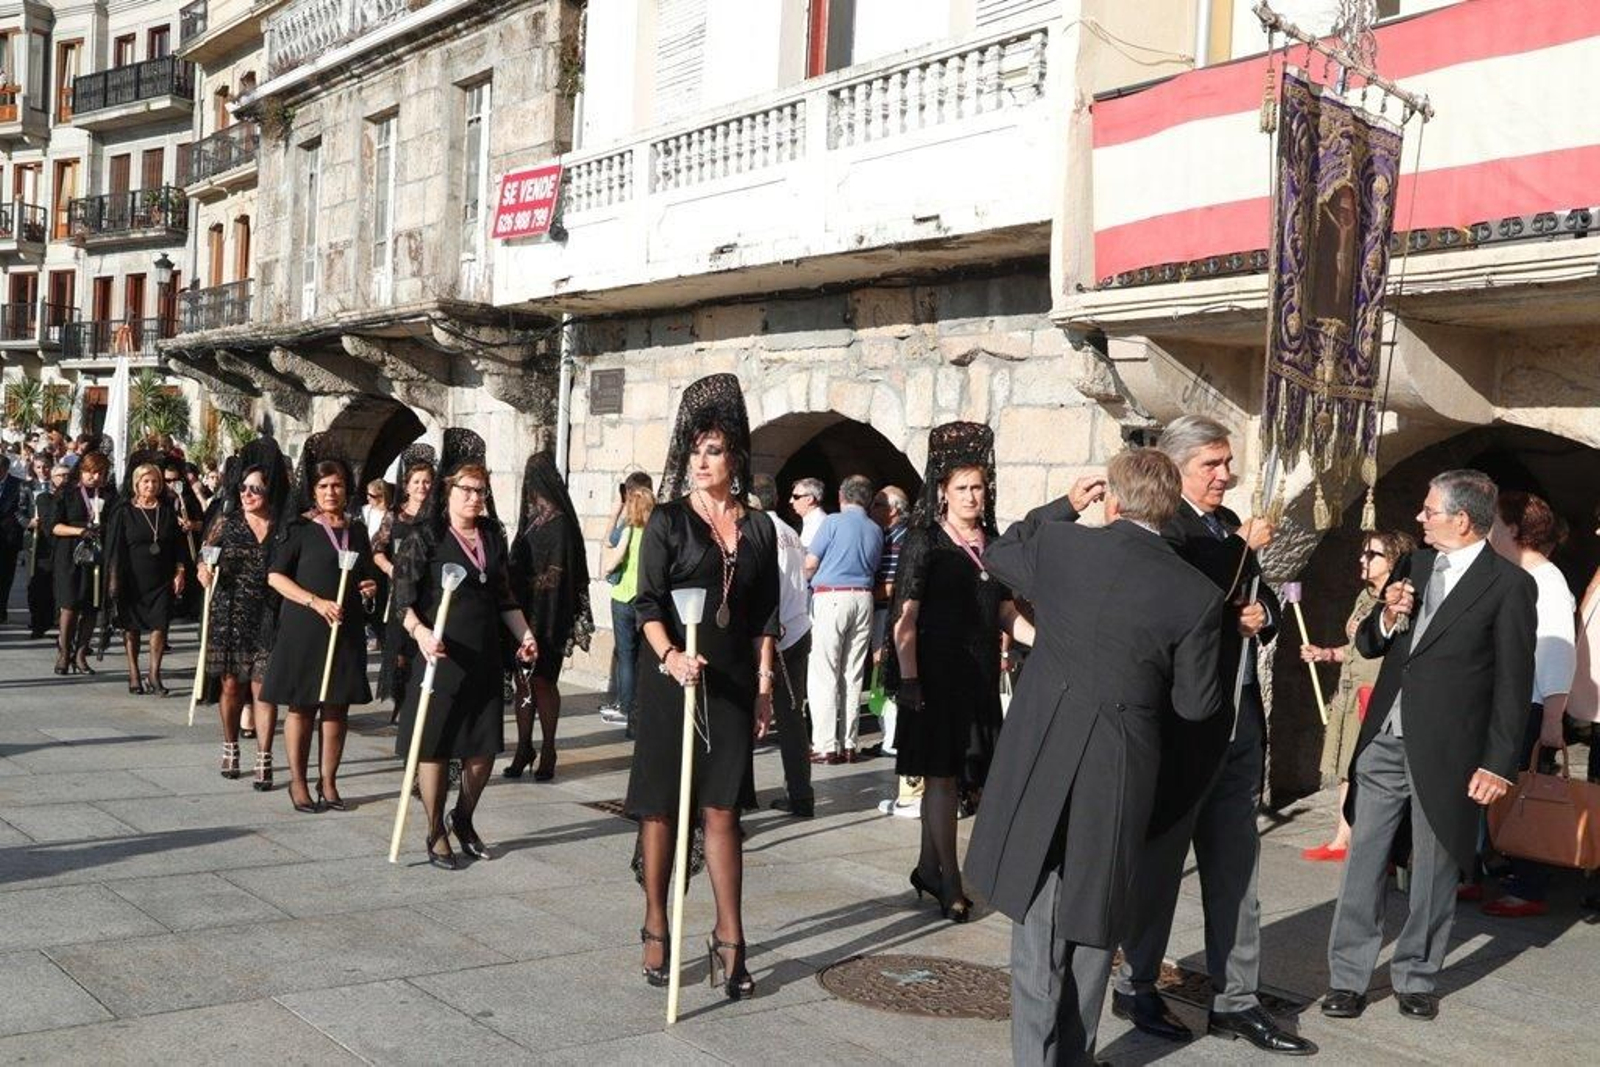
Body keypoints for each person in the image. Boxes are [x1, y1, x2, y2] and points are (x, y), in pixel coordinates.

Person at [967, 449, 1222, 1067]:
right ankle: (1073, 1056)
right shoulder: (1198, 594)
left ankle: (1036, 1055)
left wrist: (1065, 504)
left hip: (1044, 748)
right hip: (1122, 760)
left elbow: (999, 552)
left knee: (1036, 907)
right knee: (1093, 913)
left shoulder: (1061, 546)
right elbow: (1196, 704)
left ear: (1113, 498)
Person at [1111, 415, 1310, 1054]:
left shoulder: (1228, 530)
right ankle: (1136, 982)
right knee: (1160, 869)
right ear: (1175, 470)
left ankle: (1237, 1000)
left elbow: (1261, 604)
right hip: (1183, 732)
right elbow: (1188, 602)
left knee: (1236, 870)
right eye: (1211, 465)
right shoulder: (1164, 532)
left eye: (1227, 463)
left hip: (1241, 721)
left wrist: (1264, 612)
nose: (1226, 475)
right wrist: (1243, 559)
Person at [1322, 470, 1535, 1023]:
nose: (1419, 519)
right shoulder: (1413, 564)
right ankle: (1347, 978)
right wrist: (1389, 615)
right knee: (1362, 862)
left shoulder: (1510, 586)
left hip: (1450, 751)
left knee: (1436, 870)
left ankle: (1416, 976)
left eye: (1428, 511)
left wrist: (1497, 763)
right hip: (1385, 742)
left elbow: (1514, 683)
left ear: (1461, 520)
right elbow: (1367, 641)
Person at [626, 373, 778, 997]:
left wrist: (765, 684)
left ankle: (730, 937)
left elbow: (766, 614)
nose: (701, 461)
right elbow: (646, 602)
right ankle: (658, 921)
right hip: (674, 682)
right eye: (694, 451)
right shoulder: (667, 521)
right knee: (663, 808)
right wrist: (670, 658)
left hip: (733, 685)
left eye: (712, 450)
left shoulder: (763, 528)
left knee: (723, 812)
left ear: (734, 457)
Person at [890, 422, 1031, 924]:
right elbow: (904, 615)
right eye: (962, 488)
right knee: (942, 777)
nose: (972, 496)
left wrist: (1045, 639)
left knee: (962, 777)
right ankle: (949, 878)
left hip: (976, 676)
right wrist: (908, 680)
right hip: (932, 674)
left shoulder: (991, 545)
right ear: (943, 493)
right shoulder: (924, 541)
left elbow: (1005, 610)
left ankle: (929, 866)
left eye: (978, 487)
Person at [393, 459, 539, 868]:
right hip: (439, 654)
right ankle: (435, 830)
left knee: (483, 747)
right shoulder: (427, 536)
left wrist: (524, 635)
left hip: (484, 653)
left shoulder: (493, 536)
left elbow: (504, 596)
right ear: (448, 491)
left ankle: (464, 817)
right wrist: (421, 633)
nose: (475, 498)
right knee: (435, 745)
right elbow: (402, 600)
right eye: (467, 490)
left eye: (481, 491)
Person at [261, 441, 378, 815]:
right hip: (305, 625)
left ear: (348, 489)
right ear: (313, 490)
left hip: (344, 627)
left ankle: (328, 779)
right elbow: (276, 577)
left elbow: (364, 575)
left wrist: (368, 586)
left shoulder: (356, 532)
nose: (332, 492)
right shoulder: (298, 528)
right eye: (324, 486)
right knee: (303, 706)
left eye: (338, 485)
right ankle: (297, 780)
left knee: (337, 709)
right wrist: (314, 601)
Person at [1477, 490, 1574, 918]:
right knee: (1498, 790)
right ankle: (1489, 867)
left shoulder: (1547, 581)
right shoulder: (1512, 575)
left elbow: (1557, 652)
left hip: (1528, 705)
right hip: (1504, 702)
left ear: (1514, 529)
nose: (1488, 530)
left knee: (1524, 792)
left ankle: (1528, 882)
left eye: (1495, 522)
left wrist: (1553, 717)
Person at [1299, 529, 1416, 861]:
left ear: (1392, 559)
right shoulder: (1365, 597)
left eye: (1372, 555)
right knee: (1343, 767)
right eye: (1362, 554)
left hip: (1374, 692)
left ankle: (1371, 842)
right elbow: (1356, 649)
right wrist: (1326, 654)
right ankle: (1342, 836)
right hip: (1350, 689)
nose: (1362, 560)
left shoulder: (1400, 600)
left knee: (1365, 766)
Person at [198, 441, 292, 789]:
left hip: (269, 614)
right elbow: (204, 556)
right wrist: (203, 572)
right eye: (244, 488)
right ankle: (230, 744)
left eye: (256, 489)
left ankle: (264, 756)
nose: (248, 494)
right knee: (231, 684)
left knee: (264, 689)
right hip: (230, 611)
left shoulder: (283, 526)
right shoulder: (227, 521)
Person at [505, 452, 595, 781]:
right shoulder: (530, 522)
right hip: (523, 616)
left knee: (543, 682)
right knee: (522, 682)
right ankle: (523, 746)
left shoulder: (561, 526)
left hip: (550, 616)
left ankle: (549, 748)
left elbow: (563, 576)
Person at [804, 474, 883, 763]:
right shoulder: (876, 529)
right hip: (863, 597)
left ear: (841, 496)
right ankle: (849, 743)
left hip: (831, 596)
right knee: (853, 673)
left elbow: (811, 564)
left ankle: (825, 744)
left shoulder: (833, 522)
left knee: (824, 671)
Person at [751, 473, 814, 818]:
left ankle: (737, 799)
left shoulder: (758, 530)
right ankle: (801, 793)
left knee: (747, 715)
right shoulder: (791, 533)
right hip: (797, 629)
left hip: (769, 635)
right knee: (792, 718)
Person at [103, 460, 186, 695]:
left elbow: (177, 545)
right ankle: (133, 673)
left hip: (161, 579)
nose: (151, 486)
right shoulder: (125, 511)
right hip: (132, 578)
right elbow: (116, 548)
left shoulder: (167, 510)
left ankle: (154, 674)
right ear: (137, 484)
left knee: (160, 626)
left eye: (155, 481)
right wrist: (113, 578)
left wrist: (180, 570)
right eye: (146, 481)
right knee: (132, 628)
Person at [373, 450, 435, 717]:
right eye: (417, 481)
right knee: (399, 650)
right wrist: (391, 569)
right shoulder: (394, 516)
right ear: (407, 486)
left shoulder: (437, 516)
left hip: (428, 591)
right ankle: (401, 699)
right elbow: (377, 548)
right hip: (399, 590)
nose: (422, 486)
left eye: (427, 481)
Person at [599, 482, 656, 738]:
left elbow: (612, 549)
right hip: (647, 598)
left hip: (623, 597)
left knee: (625, 654)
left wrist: (614, 514)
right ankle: (642, 707)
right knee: (645, 655)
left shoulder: (629, 530)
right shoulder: (656, 531)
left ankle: (625, 704)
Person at [51, 451, 116, 674]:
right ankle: (64, 652)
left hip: (99, 553)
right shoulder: (67, 492)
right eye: (90, 472)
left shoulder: (108, 493)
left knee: (91, 605)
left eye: (100, 473)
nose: (95, 477)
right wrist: (81, 531)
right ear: (82, 471)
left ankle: (81, 653)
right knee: (69, 604)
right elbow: (54, 526)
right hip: (70, 552)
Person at [25, 461, 65, 639]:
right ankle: (39, 622)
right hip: (45, 546)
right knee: (40, 585)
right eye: (60, 476)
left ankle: (62, 627)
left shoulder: (75, 496)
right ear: (53, 479)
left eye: (67, 475)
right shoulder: (44, 497)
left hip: (66, 548)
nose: (64, 479)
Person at [362, 478, 391, 649]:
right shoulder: (365, 511)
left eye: (371, 495)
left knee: (380, 598)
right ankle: (370, 628)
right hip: (365, 558)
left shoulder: (389, 515)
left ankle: (379, 632)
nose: (368, 498)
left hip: (380, 562)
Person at [0, 455, 22, 623]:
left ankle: (2, 609)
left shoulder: (18, 485)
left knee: (6, 575)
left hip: (9, 538)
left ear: (6, 469)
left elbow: (20, 511)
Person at [790, 476, 825, 551]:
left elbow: (806, 557)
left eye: (796, 497)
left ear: (809, 499)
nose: (791, 501)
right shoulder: (812, 520)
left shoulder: (817, 523)